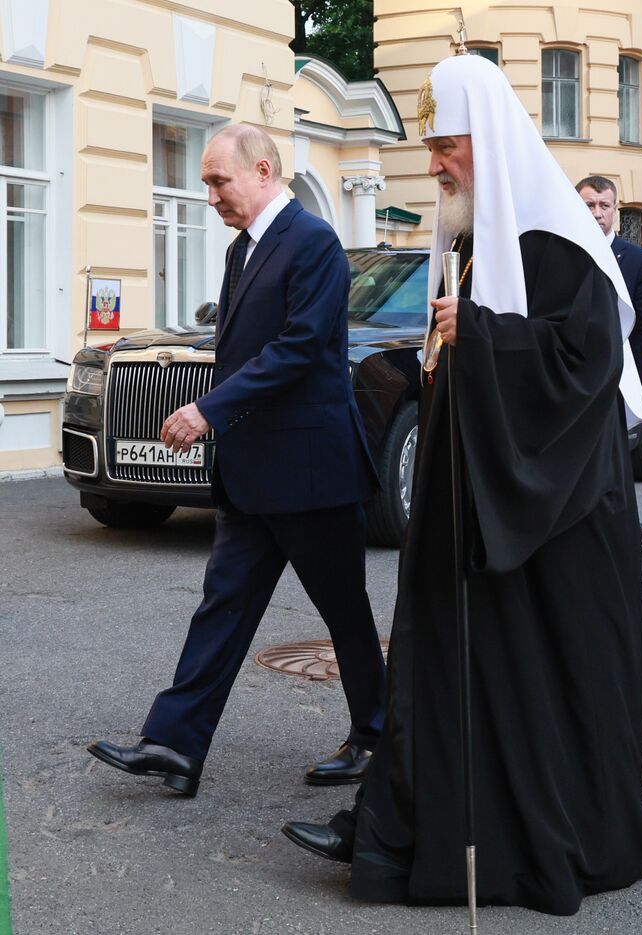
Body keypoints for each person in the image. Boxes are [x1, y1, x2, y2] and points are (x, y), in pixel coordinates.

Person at [281, 53, 642, 915]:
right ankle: (397, 825)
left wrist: (486, 336)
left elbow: (587, 365)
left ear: (486, 142)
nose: (434, 165)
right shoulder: (463, 232)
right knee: (441, 667)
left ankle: (523, 839)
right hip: (476, 503)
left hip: (554, 521)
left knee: (529, 685)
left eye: (445, 146)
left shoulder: (560, 242)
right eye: (429, 147)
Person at [86, 125, 386, 797]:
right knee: (221, 608)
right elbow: (246, 350)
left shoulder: (313, 243)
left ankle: (377, 737)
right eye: (206, 183)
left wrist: (208, 409)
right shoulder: (242, 251)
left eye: (219, 181)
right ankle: (175, 744)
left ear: (262, 170)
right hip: (253, 474)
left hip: (311, 473)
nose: (211, 195)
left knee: (344, 611)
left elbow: (300, 348)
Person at [576, 175, 642, 423]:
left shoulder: (640, 262)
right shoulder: (561, 255)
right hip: (572, 385)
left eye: (604, 206)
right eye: (589, 205)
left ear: (615, 210)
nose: (597, 213)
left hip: (619, 387)